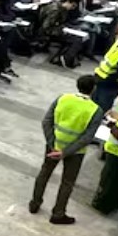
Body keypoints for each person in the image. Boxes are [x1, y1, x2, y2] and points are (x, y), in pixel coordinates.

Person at [30, 75, 105, 225]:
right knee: (67, 182)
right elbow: (87, 137)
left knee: (44, 173)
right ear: (93, 89)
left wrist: (53, 144)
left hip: (54, 146)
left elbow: (46, 121)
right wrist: (65, 153)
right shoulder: (95, 110)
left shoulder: (62, 98)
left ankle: (35, 203)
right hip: (75, 153)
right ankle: (58, 214)